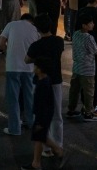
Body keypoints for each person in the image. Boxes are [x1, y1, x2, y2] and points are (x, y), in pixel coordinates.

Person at [26, 14, 66, 152]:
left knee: (42, 116)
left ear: (37, 29)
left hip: (41, 82)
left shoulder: (36, 45)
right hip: (56, 80)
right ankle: (58, 144)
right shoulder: (59, 41)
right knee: (57, 115)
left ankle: (46, 148)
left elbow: (27, 59)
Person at [22, 58, 69, 170]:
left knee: (40, 136)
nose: (34, 69)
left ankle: (58, 150)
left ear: (40, 69)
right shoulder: (43, 80)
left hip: (42, 116)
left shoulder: (43, 84)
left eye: (36, 67)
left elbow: (42, 104)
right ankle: (37, 162)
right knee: (39, 137)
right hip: (42, 115)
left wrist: (40, 120)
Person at [67, 12, 97, 122]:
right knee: (89, 92)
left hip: (77, 67)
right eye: (90, 23)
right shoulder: (88, 37)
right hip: (87, 69)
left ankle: (71, 110)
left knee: (74, 90)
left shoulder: (76, 34)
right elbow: (96, 51)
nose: (93, 24)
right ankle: (89, 113)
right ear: (84, 25)